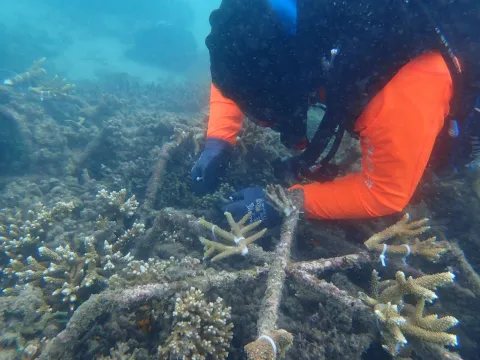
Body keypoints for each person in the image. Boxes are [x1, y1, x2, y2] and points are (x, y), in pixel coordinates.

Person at [191, 0, 479, 227]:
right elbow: (236, 70)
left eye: (269, 116)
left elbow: (385, 193)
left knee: (444, 163)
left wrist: (284, 203)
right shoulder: (272, 20)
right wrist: (218, 140)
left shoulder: (398, 87)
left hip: (443, 70)